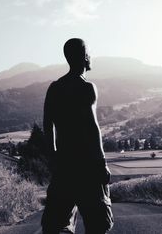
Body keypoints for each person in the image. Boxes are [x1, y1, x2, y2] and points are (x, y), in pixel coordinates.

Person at [41, 38, 113, 234]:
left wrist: (53, 156)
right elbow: (92, 127)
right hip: (88, 164)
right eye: (89, 52)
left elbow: (48, 125)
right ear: (84, 57)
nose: (91, 56)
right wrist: (102, 163)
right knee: (98, 223)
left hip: (64, 163)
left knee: (57, 223)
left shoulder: (54, 88)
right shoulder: (87, 88)